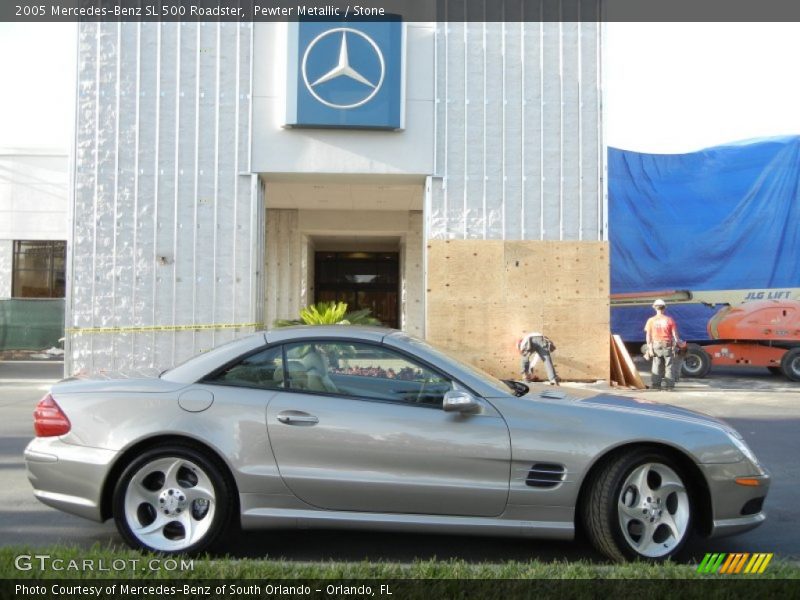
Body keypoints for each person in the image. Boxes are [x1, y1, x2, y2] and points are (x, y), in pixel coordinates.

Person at [644, 299, 680, 390]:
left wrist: (649, 347)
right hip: (667, 344)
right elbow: (675, 334)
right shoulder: (669, 320)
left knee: (657, 365)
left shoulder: (650, 320)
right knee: (669, 365)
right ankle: (670, 386)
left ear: (654, 308)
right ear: (664, 308)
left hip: (656, 344)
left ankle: (656, 385)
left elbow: (648, 335)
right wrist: (676, 343)